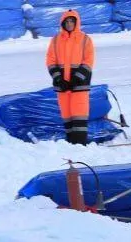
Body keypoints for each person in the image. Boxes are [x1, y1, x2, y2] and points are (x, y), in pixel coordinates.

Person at [46, 9, 96, 145]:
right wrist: (58, 78)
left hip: (79, 86)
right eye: (66, 21)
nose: (69, 24)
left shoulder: (85, 39)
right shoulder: (55, 40)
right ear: (62, 23)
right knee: (67, 117)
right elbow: (50, 61)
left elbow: (88, 60)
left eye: (71, 21)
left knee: (79, 117)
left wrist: (77, 78)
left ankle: (80, 145)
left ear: (76, 23)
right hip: (62, 86)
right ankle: (70, 145)